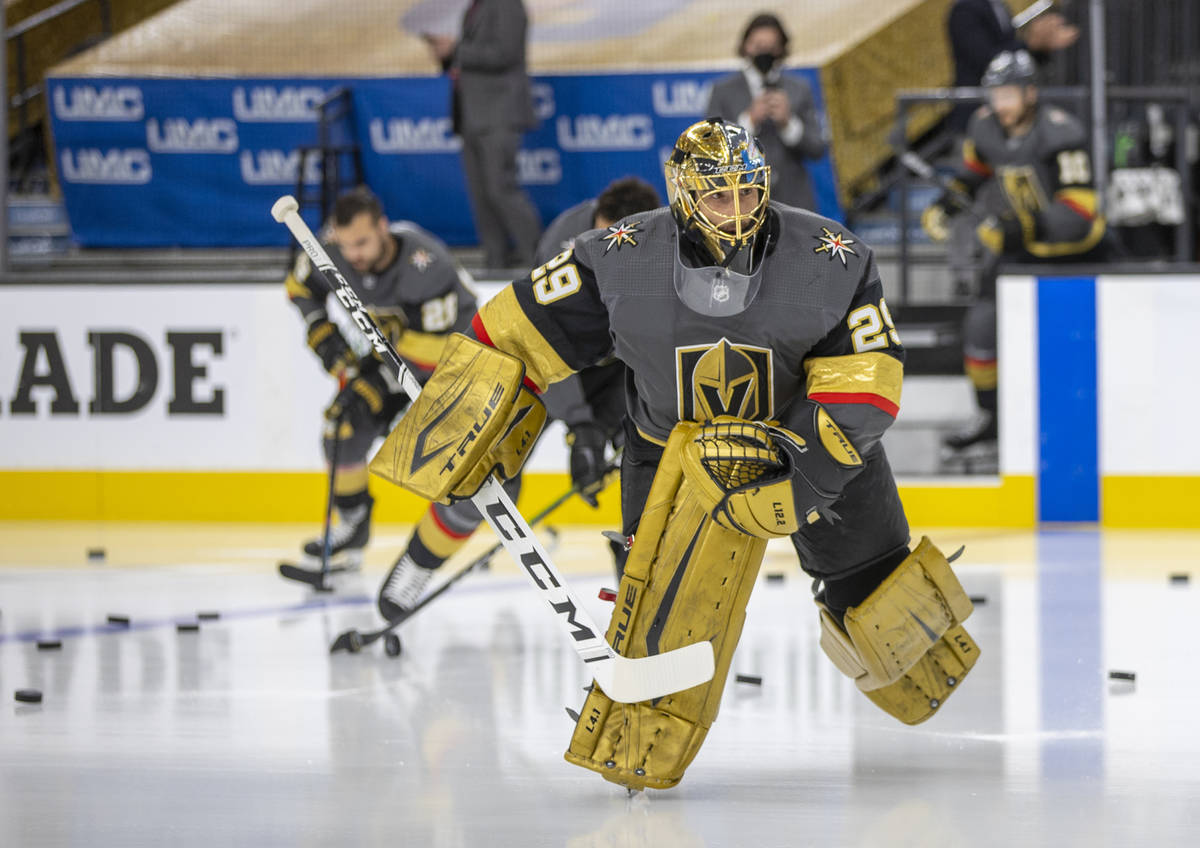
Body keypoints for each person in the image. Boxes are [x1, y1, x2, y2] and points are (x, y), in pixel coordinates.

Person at [373, 118, 980, 790]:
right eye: (719, 196)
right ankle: (640, 751)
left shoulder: (832, 255)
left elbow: (869, 375)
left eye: (749, 192)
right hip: (672, 457)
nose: (739, 210)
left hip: (800, 436)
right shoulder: (614, 255)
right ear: (683, 192)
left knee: (891, 624)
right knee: (661, 635)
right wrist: (465, 422)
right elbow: (509, 336)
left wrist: (807, 478)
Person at [285, 187, 514, 619]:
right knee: (342, 426)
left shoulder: (426, 265)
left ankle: (421, 560)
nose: (352, 253)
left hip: (456, 370)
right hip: (392, 363)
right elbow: (299, 285)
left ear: (382, 228)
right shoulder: (331, 249)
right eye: (345, 243)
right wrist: (321, 331)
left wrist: (389, 355)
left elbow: (451, 350)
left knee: (465, 472)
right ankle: (352, 531)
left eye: (362, 243)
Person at [923, 50, 1107, 451]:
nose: (1000, 105)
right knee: (980, 328)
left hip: (1077, 252)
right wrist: (948, 203)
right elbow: (975, 173)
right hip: (1022, 246)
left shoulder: (1064, 133)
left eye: (1009, 95)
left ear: (1031, 93)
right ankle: (991, 417)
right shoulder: (984, 126)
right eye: (995, 95)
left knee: (1074, 343)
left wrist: (1019, 229)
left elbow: (1080, 212)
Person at [535, 176, 662, 573]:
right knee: (506, 440)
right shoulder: (562, 243)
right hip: (563, 362)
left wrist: (606, 425)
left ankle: (637, 543)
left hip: (621, 365)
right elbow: (544, 336)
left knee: (650, 444)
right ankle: (426, 557)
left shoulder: (662, 246)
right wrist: (580, 423)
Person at [423, 0, 542, 269]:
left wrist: (456, 49)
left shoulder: (507, 4)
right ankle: (495, 260)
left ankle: (537, 260)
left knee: (501, 189)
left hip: (498, 114)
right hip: (472, 116)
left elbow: (505, 53)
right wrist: (447, 54)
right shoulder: (476, 6)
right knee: (481, 194)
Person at [704, 12, 827, 211]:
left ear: (781, 49)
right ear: (746, 46)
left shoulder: (799, 88)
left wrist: (788, 124)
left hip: (794, 203)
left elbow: (817, 148)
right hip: (740, 203)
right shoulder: (722, 91)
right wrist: (749, 121)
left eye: (771, 47)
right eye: (758, 46)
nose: (764, 53)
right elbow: (711, 150)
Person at [946, 0, 1079, 133]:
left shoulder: (998, 6)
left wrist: (1039, 47)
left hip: (1008, 116)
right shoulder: (965, 10)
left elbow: (1012, 51)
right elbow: (987, 60)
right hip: (976, 112)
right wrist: (1030, 43)